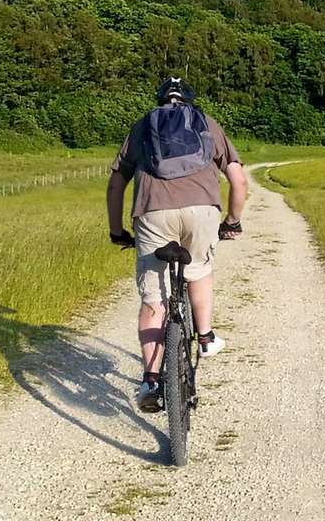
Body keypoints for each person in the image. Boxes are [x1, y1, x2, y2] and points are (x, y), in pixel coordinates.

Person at [107, 76, 249, 413]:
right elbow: (238, 180)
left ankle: (151, 381)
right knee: (198, 271)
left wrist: (117, 231)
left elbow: (116, 184)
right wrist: (232, 220)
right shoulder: (207, 124)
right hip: (201, 210)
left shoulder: (142, 127)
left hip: (152, 212)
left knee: (154, 298)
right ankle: (206, 338)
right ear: (189, 99)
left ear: (160, 99)